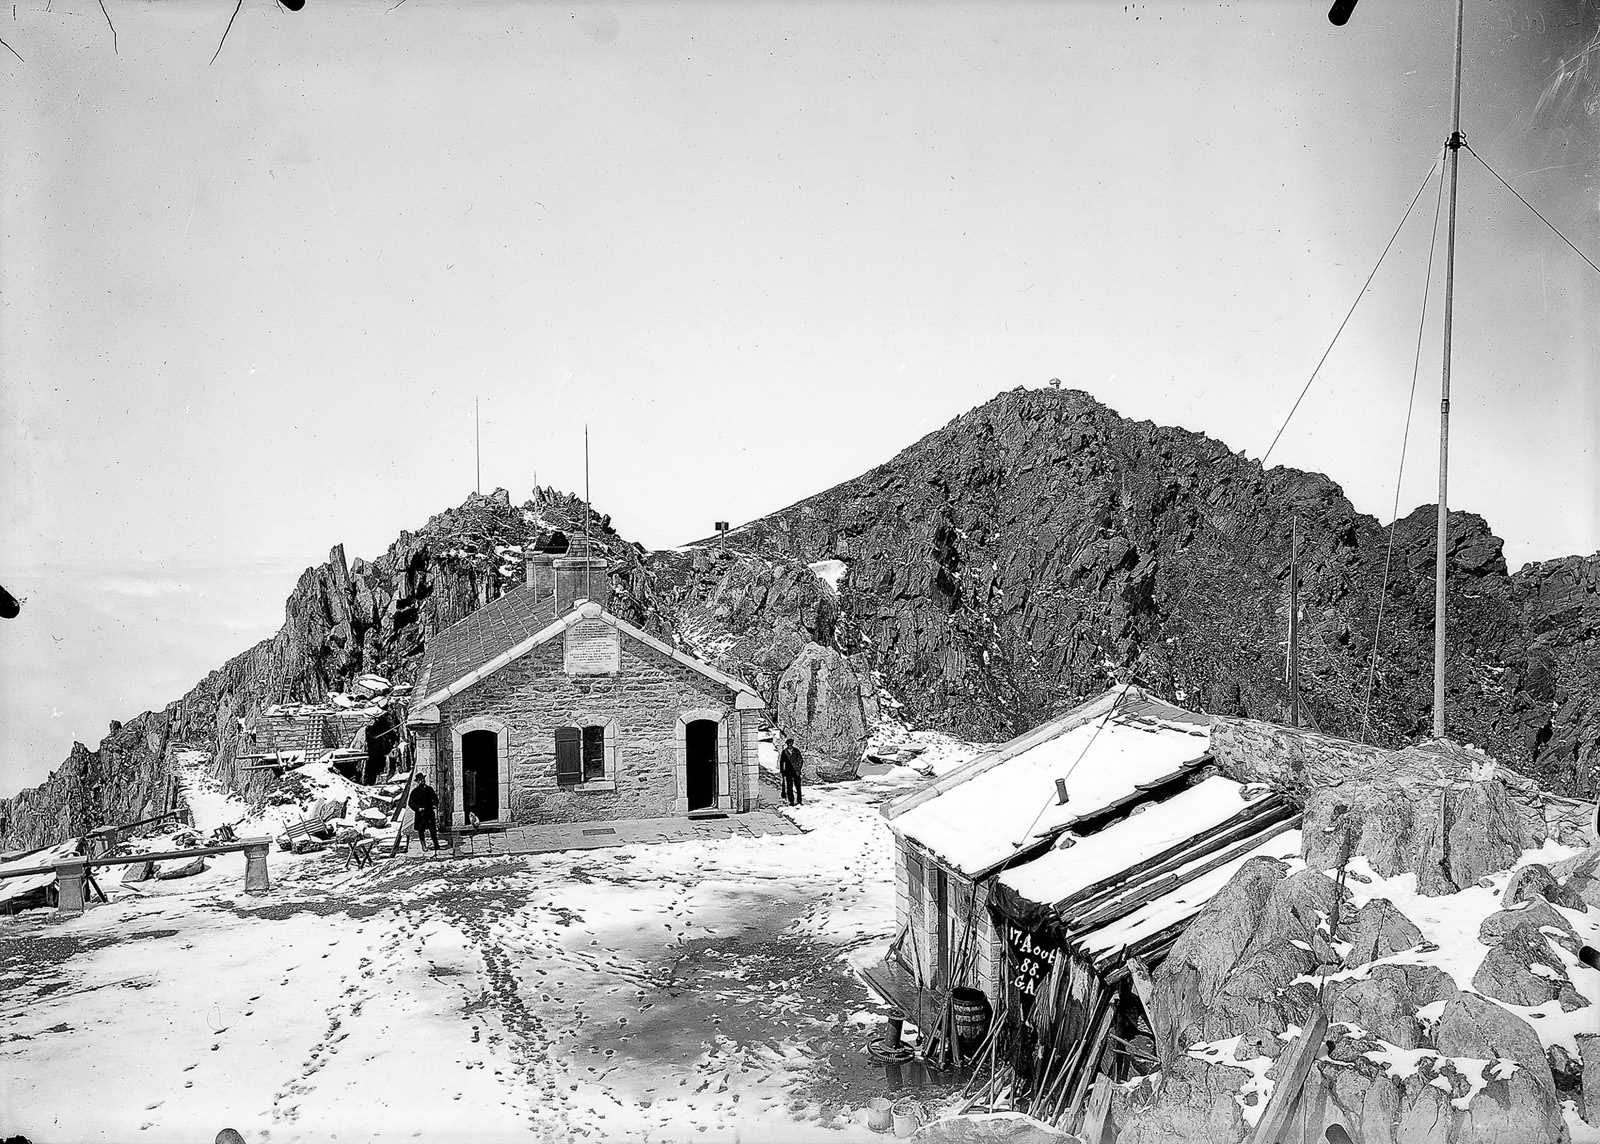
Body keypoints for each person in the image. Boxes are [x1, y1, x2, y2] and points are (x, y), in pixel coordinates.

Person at [408, 773, 441, 852]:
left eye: (423, 779)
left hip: (429, 812)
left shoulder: (429, 789)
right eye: (420, 780)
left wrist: (434, 804)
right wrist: (418, 808)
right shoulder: (415, 792)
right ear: (417, 781)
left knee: (433, 830)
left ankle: (436, 844)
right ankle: (423, 845)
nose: (422, 781)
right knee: (421, 830)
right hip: (420, 814)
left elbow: (435, 798)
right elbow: (410, 803)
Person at [779, 736, 805, 807]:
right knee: (789, 787)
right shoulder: (784, 752)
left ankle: (799, 801)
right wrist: (782, 771)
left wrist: (798, 768)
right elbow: (781, 762)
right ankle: (791, 801)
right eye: (788, 744)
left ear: (792, 744)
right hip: (788, 772)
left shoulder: (796, 751)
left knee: (798, 787)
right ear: (787, 744)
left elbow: (800, 760)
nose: (790, 745)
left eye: (791, 743)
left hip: (796, 771)